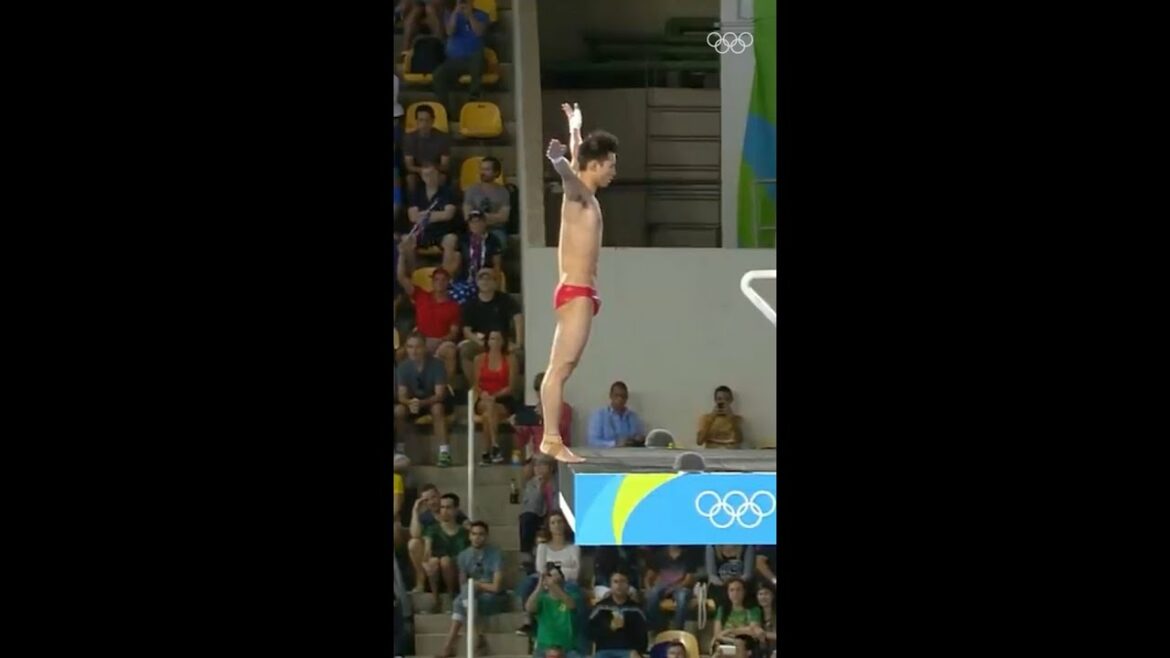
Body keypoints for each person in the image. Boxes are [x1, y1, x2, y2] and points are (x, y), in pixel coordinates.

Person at [539, 102, 619, 463]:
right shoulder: (580, 196)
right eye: (610, 165)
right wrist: (558, 162)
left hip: (577, 292)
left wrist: (575, 127)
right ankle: (551, 439)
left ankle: (551, 438)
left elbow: (576, 157)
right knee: (561, 369)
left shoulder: (586, 192)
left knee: (562, 368)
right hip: (577, 293)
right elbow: (570, 177)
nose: (614, 172)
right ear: (596, 165)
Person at [435, 521, 507, 658]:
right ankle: (476, 637)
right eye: (474, 534)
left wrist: (478, 586)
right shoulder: (463, 555)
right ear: (469, 536)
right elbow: (463, 585)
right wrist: (471, 589)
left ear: (486, 536)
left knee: (459, 603)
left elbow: (496, 587)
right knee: (463, 598)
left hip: (493, 597)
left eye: (481, 534)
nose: (477, 538)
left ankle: (450, 646)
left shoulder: (496, 554)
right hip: (471, 597)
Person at [516, 510, 581, 636]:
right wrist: (559, 571)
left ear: (565, 524)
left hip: (566, 582)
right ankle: (528, 620)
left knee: (574, 589)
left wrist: (557, 573)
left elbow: (576, 572)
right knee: (529, 582)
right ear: (549, 526)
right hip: (545, 581)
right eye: (553, 523)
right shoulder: (543, 547)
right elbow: (540, 568)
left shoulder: (574, 548)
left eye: (559, 522)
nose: (557, 525)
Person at [471, 330, 518, 464]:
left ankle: (486, 452)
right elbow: (476, 384)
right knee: (488, 405)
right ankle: (495, 447)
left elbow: (511, 387)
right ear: (487, 341)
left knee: (487, 415)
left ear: (503, 342)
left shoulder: (510, 359)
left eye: (497, 339)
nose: (494, 342)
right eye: (491, 339)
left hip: (503, 399)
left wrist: (494, 396)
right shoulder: (479, 359)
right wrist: (483, 394)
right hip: (484, 398)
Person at [526, 562, 585, 658]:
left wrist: (554, 586)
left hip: (567, 648)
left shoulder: (573, 596)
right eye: (549, 576)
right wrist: (540, 585)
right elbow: (529, 607)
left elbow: (571, 604)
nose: (551, 578)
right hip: (544, 648)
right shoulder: (542, 599)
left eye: (554, 575)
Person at [588, 570, 648, 658]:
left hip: (628, 651)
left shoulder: (636, 609)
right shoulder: (600, 607)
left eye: (623, 581)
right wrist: (609, 627)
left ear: (628, 586)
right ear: (610, 585)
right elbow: (590, 633)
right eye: (615, 582)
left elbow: (643, 638)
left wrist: (627, 625)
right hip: (604, 651)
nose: (619, 585)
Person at [709, 578, 764, 658]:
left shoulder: (753, 610)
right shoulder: (722, 610)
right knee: (723, 650)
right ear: (728, 593)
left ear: (744, 592)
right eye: (732, 590)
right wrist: (734, 640)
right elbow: (718, 634)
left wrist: (729, 631)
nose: (735, 593)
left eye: (738, 590)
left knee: (741, 646)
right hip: (727, 642)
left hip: (747, 644)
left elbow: (753, 630)